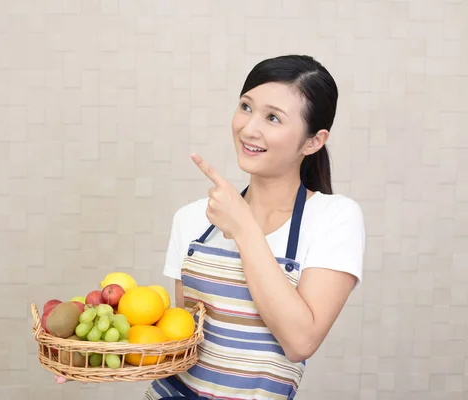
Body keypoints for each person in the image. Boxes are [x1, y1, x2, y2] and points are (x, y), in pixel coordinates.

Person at [56, 54, 365, 400]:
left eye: (273, 117)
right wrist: (100, 356)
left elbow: (300, 342)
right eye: (246, 107)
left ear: (313, 142)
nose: (249, 128)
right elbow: (181, 342)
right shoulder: (191, 219)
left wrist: (245, 229)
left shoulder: (334, 219)